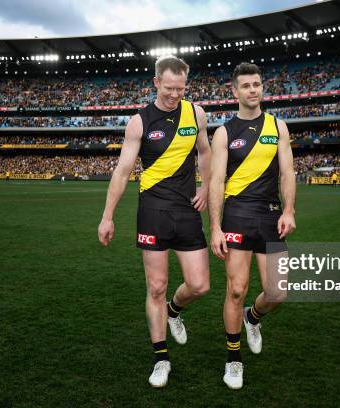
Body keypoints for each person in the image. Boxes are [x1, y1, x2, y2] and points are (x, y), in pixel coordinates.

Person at [97, 55, 211, 388]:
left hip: (188, 210)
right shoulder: (139, 122)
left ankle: (175, 310)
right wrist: (107, 216)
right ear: (156, 82)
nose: (175, 94)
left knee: (200, 285)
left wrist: (205, 183)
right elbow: (121, 172)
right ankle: (161, 357)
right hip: (153, 212)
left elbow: (204, 152)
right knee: (156, 286)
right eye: (169, 88)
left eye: (181, 88)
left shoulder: (197, 114)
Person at [208, 62, 296, 389]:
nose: (252, 90)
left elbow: (287, 173)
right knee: (235, 288)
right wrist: (215, 227)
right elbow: (216, 180)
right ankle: (233, 359)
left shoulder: (278, 126)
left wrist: (288, 209)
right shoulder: (224, 133)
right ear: (235, 91)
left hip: (271, 216)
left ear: (262, 87)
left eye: (257, 84)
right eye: (245, 85)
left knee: (277, 292)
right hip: (237, 215)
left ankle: (252, 318)